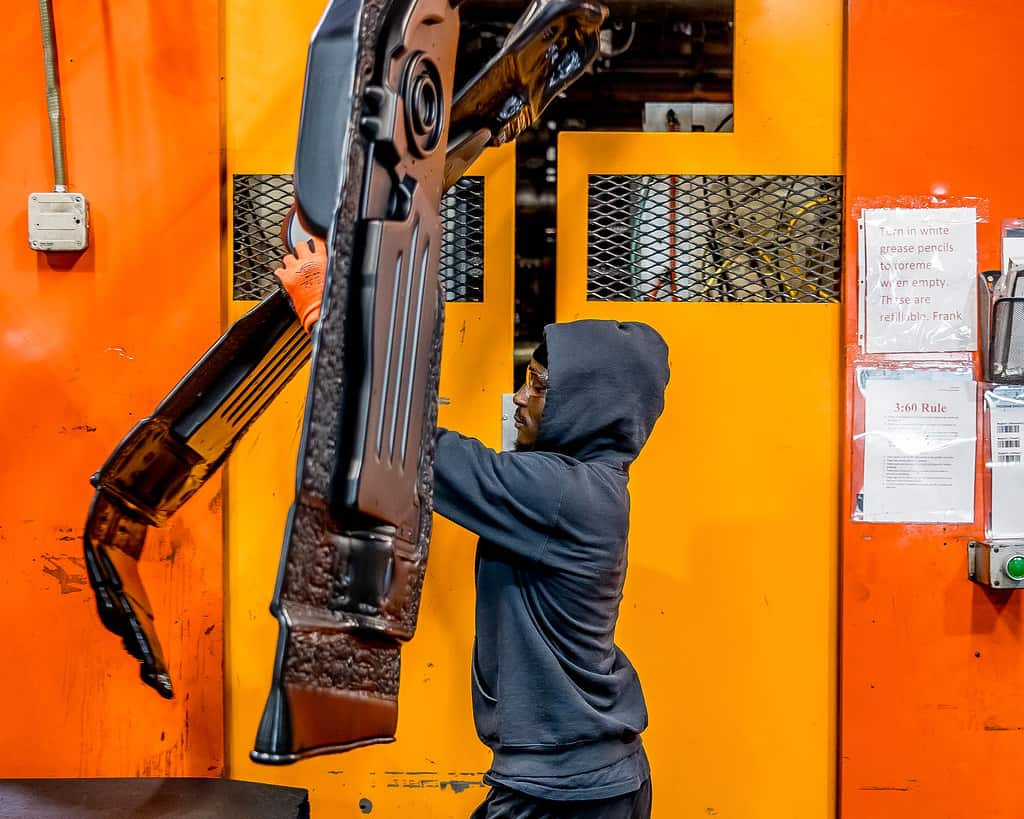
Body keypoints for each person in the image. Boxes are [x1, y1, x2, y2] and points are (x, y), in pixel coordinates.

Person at [275, 243, 670, 819]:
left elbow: (407, 446)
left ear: (586, 406)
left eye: (537, 386)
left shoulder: (562, 495)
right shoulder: (587, 486)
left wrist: (325, 318)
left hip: (564, 793)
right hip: (589, 778)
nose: (519, 398)